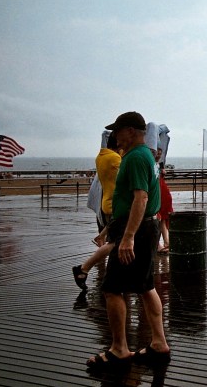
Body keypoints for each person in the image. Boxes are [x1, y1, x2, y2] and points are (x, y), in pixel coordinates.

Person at [86, 111, 170, 370]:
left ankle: (119, 349)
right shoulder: (147, 156)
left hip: (136, 231)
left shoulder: (134, 158)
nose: (114, 136)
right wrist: (109, 230)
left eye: (118, 131)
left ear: (131, 131)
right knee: (146, 287)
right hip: (147, 227)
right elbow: (139, 201)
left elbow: (140, 199)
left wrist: (127, 238)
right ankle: (158, 344)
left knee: (112, 289)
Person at [73, 132, 121, 290]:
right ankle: (83, 268)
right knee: (116, 243)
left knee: (116, 240)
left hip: (107, 203)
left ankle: (100, 239)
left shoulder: (101, 156)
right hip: (116, 205)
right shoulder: (115, 159)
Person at [157, 162, 173, 254]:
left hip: (162, 192)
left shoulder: (159, 164)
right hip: (159, 192)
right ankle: (162, 243)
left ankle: (165, 242)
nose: (158, 153)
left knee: (162, 218)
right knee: (159, 218)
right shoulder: (152, 163)